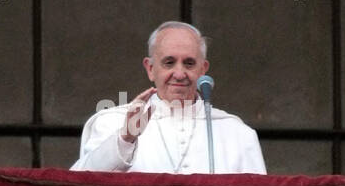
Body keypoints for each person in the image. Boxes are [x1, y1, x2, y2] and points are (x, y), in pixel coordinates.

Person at [71, 21, 267, 173]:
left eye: (189, 63)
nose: (179, 73)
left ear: (203, 70)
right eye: (169, 63)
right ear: (150, 69)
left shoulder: (238, 134)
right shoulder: (113, 123)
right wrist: (126, 139)